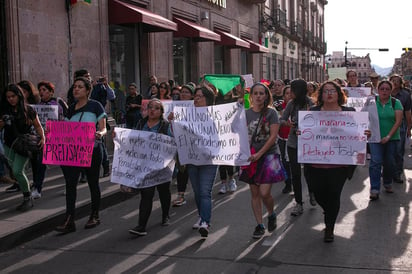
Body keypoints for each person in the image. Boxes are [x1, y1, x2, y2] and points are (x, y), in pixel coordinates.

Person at [304, 80, 366, 242]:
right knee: (318, 194)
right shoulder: (313, 111)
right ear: (321, 95)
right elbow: (307, 132)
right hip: (315, 162)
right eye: (326, 91)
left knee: (334, 194)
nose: (329, 93)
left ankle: (329, 227)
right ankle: (329, 211)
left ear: (339, 94)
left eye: (333, 91)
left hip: (340, 164)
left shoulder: (350, 112)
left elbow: (358, 136)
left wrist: (365, 134)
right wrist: (300, 133)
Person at [55, 76, 107, 234]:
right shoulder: (71, 108)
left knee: (93, 182)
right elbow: (65, 128)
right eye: (74, 86)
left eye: (80, 87)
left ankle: (94, 215)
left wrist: (100, 133)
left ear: (87, 90)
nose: (76, 89)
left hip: (92, 149)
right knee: (70, 184)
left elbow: (104, 128)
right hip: (73, 151)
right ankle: (69, 220)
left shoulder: (95, 106)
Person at [240, 82, 279, 239]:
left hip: (269, 155)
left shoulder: (271, 113)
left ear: (266, 96)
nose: (258, 96)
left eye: (261, 93)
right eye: (255, 93)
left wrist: (260, 153)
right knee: (254, 192)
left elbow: (273, 136)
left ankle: (271, 213)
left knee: (265, 192)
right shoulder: (245, 114)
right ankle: (259, 224)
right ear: (251, 96)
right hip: (251, 156)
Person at [128, 99, 172, 236]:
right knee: (146, 194)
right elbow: (132, 138)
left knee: (164, 192)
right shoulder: (141, 123)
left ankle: (165, 215)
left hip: (162, 166)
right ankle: (141, 226)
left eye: (157, 108)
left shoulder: (165, 125)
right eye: (150, 107)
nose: (152, 110)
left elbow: (171, 142)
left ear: (161, 112)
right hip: (145, 166)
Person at [0, 84, 45, 211]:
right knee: (17, 172)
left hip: (24, 145)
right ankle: (26, 187)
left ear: (19, 96)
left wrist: (43, 138)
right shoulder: (4, 110)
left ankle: (27, 197)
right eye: (8, 97)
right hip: (9, 144)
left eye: (13, 96)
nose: (10, 99)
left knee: (17, 171)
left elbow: (37, 125)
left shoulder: (28, 110)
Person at [185, 85, 218, 238]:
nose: (196, 99)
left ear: (208, 99)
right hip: (192, 159)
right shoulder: (187, 115)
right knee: (197, 192)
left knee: (205, 191)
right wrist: (173, 121)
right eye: (195, 96)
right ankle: (201, 215)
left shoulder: (217, 116)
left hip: (209, 160)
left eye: (200, 96)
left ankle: (205, 222)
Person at [364, 80, 403, 201]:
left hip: (391, 138)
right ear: (378, 89)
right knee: (376, 162)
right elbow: (363, 116)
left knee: (389, 162)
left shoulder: (396, 103)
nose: (384, 91)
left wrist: (388, 136)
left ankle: (387, 182)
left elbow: (398, 121)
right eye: (382, 89)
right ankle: (374, 189)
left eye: (387, 89)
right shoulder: (371, 102)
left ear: (391, 90)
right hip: (375, 137)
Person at [280, 79, 314, 216]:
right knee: (295, 174)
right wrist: (288, 124)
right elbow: (282, 119)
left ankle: (312, 192)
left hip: (308, 144)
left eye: (293, 90)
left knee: (308, 172)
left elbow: (318, 121)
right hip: (293, 143)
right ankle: (299, 203)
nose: (290, 93)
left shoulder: (310, 103)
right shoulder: (291, 104)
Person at [31, 81, 67, 199]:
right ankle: (37, 188)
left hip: (59, 137)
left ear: (51, 92)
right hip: (46, 139)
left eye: (44, 90)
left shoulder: (58, 102)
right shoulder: (38, 106)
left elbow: (68, 115)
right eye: (40, 90)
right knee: (41, 162)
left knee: (64, 164)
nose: (42, 92)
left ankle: (69, 185)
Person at [171, 83, 194, 207]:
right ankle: (181, 195)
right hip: (181, 143)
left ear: (192, 95)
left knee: (195, 170)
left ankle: (200, 193)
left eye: (187, 92)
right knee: (182, 170)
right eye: (182, 92)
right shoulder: (174, 107)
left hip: (195, 145)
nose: (183, 94)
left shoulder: (197, 107)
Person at [389, 74, 412, 184]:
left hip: (401, 124)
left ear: (400, 82)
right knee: (388, 150)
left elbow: (408, 112)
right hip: (386, 124)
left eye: (397, 80)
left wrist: (409, 128)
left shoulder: (405, 95)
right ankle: (388, 172)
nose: (395, 82)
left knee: (398, 151)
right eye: (393, 80)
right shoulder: (384, 93)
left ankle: (397, 173)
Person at [278, 85, 292, 194]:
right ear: (284, 96)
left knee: (293, 163)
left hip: (294, 139)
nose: (289, 95)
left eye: (291, 93)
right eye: (287, 93)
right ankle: (288, 184)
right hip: (282, 139)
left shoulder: (298, 107)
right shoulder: (279, 108)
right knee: (284, 162)